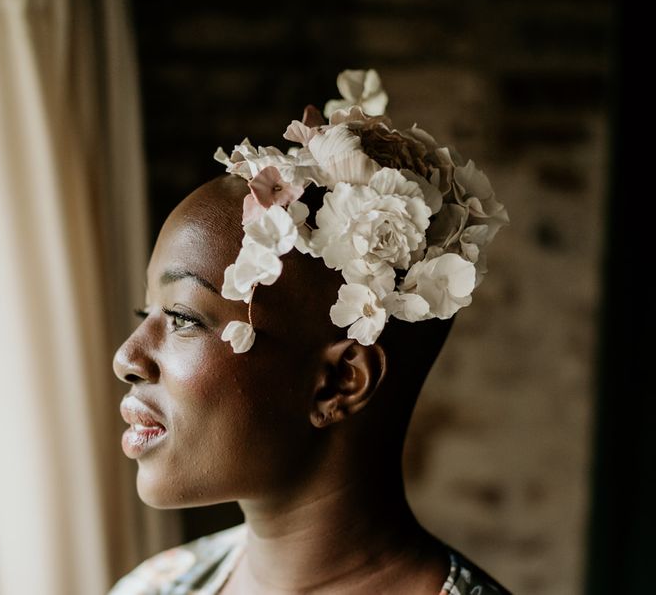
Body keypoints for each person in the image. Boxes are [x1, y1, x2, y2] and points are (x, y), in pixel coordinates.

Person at [110, 70, 511, 594]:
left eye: (183, 318)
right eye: (148, 316)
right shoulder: (157, 586)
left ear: (339, 382)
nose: (127, 358)